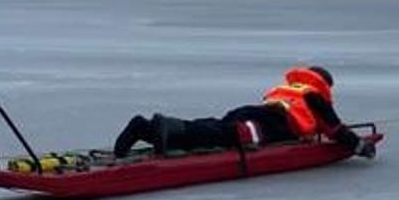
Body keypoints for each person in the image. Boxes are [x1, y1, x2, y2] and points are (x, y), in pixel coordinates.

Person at [112, 65, 375, 160]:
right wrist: (360, 147)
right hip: (268, 125)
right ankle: (162, 125)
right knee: (221, 136)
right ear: (324, 84)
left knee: (215, 131)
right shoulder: (314, 95)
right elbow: (335, 130)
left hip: (252, 113)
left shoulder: (287, 89)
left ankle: (150, 130)